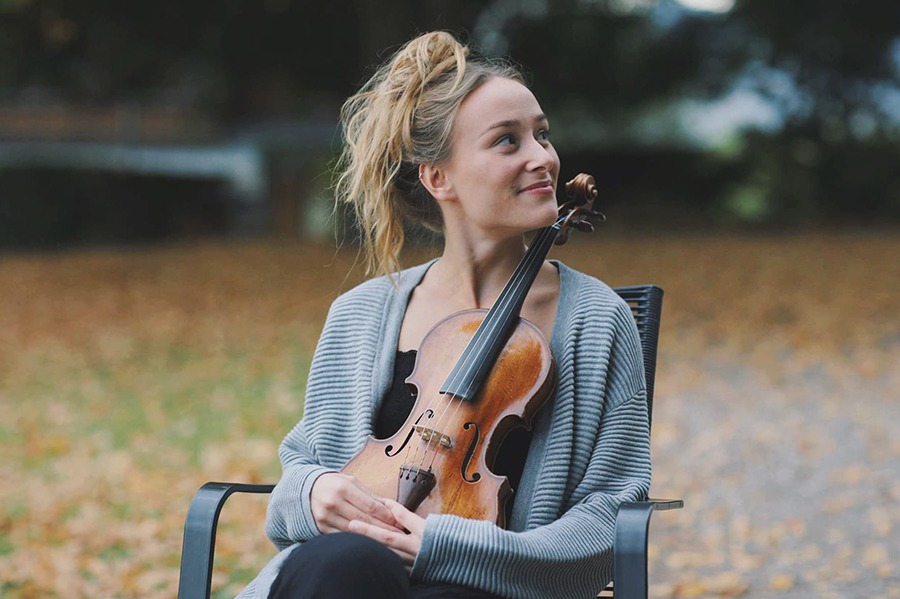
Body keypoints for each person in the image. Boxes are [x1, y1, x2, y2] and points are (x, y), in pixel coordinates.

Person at [237, 31, 651, 599]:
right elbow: (298, 480)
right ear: (438, 177)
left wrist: (448, 547)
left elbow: (611, 517)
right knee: (346, 564)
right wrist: (313, 495)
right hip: (350, 573)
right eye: (507, 141)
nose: (543, 158)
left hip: (493, 587)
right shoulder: (360, 313)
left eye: (542, 134)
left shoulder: (597, 320)